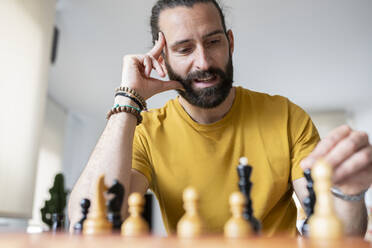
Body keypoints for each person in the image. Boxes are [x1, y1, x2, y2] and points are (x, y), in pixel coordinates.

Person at [68, 0, 372, 236]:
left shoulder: (287, 117)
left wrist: (350, 194)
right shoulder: (146, 131)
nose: (203, 61)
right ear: (162, 60)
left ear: (230, 42)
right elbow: (88, 220)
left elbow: (336, 232)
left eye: (213, 42)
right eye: (184, 49)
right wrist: (128, 98)